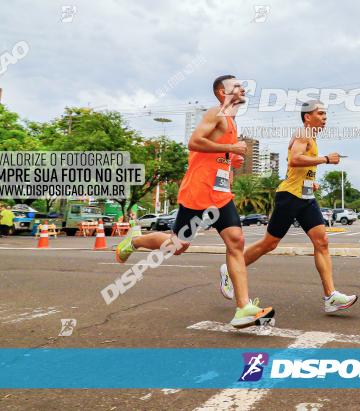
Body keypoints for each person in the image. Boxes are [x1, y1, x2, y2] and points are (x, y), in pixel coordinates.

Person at [114, 75, 275, 329]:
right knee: (177, 246)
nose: (242, 88)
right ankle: (135, 241)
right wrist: (232, 148)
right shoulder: (216, 113)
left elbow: (218, 155)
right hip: (198, 192)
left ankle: (243, 307)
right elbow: (194, 142)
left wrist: (231, 159)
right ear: (223, 92)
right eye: (236, 85)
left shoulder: (232, 121)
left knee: (236, 241)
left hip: (221, 194)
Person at [221, 100, 357, 314]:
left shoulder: (310, 137)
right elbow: (294, 159)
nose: (324, 117)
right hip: (290, 197)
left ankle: (331, 297)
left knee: (322, 241)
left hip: (306, 197)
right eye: (320, 113)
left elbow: (296, 167)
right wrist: (325, 159)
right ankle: (230, 270)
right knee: (270, 243)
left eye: (325, 114)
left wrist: (311, 180)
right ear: (307, 117)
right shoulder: (303, 134)